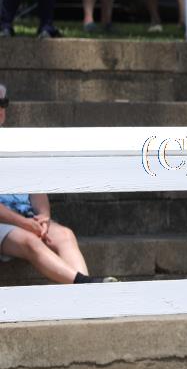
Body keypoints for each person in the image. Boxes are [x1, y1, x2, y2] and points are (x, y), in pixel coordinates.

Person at [0, 84, 117, 284]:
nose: (0, 109)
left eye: (3, 103)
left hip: (27, 217)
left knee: (65, 235)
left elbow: (36, 189)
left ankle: (86, 291)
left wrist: (43, 217)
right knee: (30, 242)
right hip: (5, 222)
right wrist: (24, 223)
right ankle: (85, 285)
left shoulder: (16, 143)